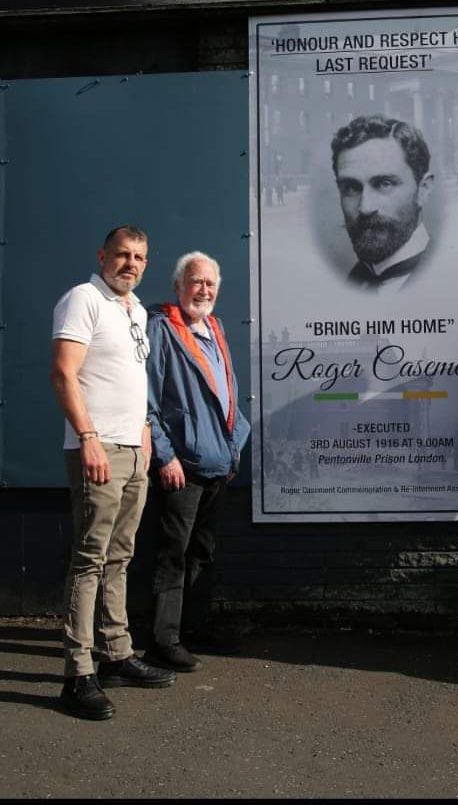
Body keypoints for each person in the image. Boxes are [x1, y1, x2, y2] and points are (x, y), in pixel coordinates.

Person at [51, 225, 176, 721]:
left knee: (120, 556)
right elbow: (63, 371)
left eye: (140, 257)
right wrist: (88, 438)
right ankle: (77, 673)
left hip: (132, 447)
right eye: (123, 254)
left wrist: (143, 427)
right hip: (97, 448)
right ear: (103, 255)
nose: (131, 263)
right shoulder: (83, 299)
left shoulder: (136, 310)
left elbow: (127, 378)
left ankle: (117, 654)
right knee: (89, 558)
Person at [143, 251, 251, 672]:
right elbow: (147, 402)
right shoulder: (162, 330)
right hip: (182, 465)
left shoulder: (215, 328)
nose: (202, 290)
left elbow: (226, 389)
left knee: (203, 551)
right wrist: (166, 457)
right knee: (174, 551)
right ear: (178, 286)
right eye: (195, 282)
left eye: (209, 284)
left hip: (218, 462)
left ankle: (193, 626)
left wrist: (235, 443)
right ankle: (163, 639)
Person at [331, 113, 435, 292]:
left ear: (423, 190)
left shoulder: (452, 275)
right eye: (351, 188)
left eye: (384, 184)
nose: (365, 208)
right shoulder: (353, 279)